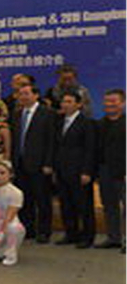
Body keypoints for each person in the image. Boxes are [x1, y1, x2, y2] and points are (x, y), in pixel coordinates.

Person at [11, 85, 56, 243]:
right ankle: (28, 230)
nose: (23, 97)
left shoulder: (47, 113)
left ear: (36, 95)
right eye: (20, 94)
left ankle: (44, 231)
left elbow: (51, 140)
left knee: (42, 199)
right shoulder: (17, 114)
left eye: (26, 94)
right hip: (20, 163)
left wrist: (48, 163)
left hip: (40, 164)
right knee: (25, 199)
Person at [54, 91, 96, 248]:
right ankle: (71, 234)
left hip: (79, 170)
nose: (65, 105)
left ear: (78, 104)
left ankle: (87, 236)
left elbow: (90, 149)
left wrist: (87, 171)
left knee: (83, 205)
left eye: (69, 101)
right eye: (63, 101)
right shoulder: (59, 122)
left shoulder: (86, 122)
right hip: (62, 169)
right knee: (66, 204)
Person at [95, 89, 126, 253]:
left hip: (124, 172)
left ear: (123, 103)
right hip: (105, 171)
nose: (109, 104)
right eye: (107, 101)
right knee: (109, 206)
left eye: (113, 101)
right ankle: (114, 238)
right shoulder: (99, 124)